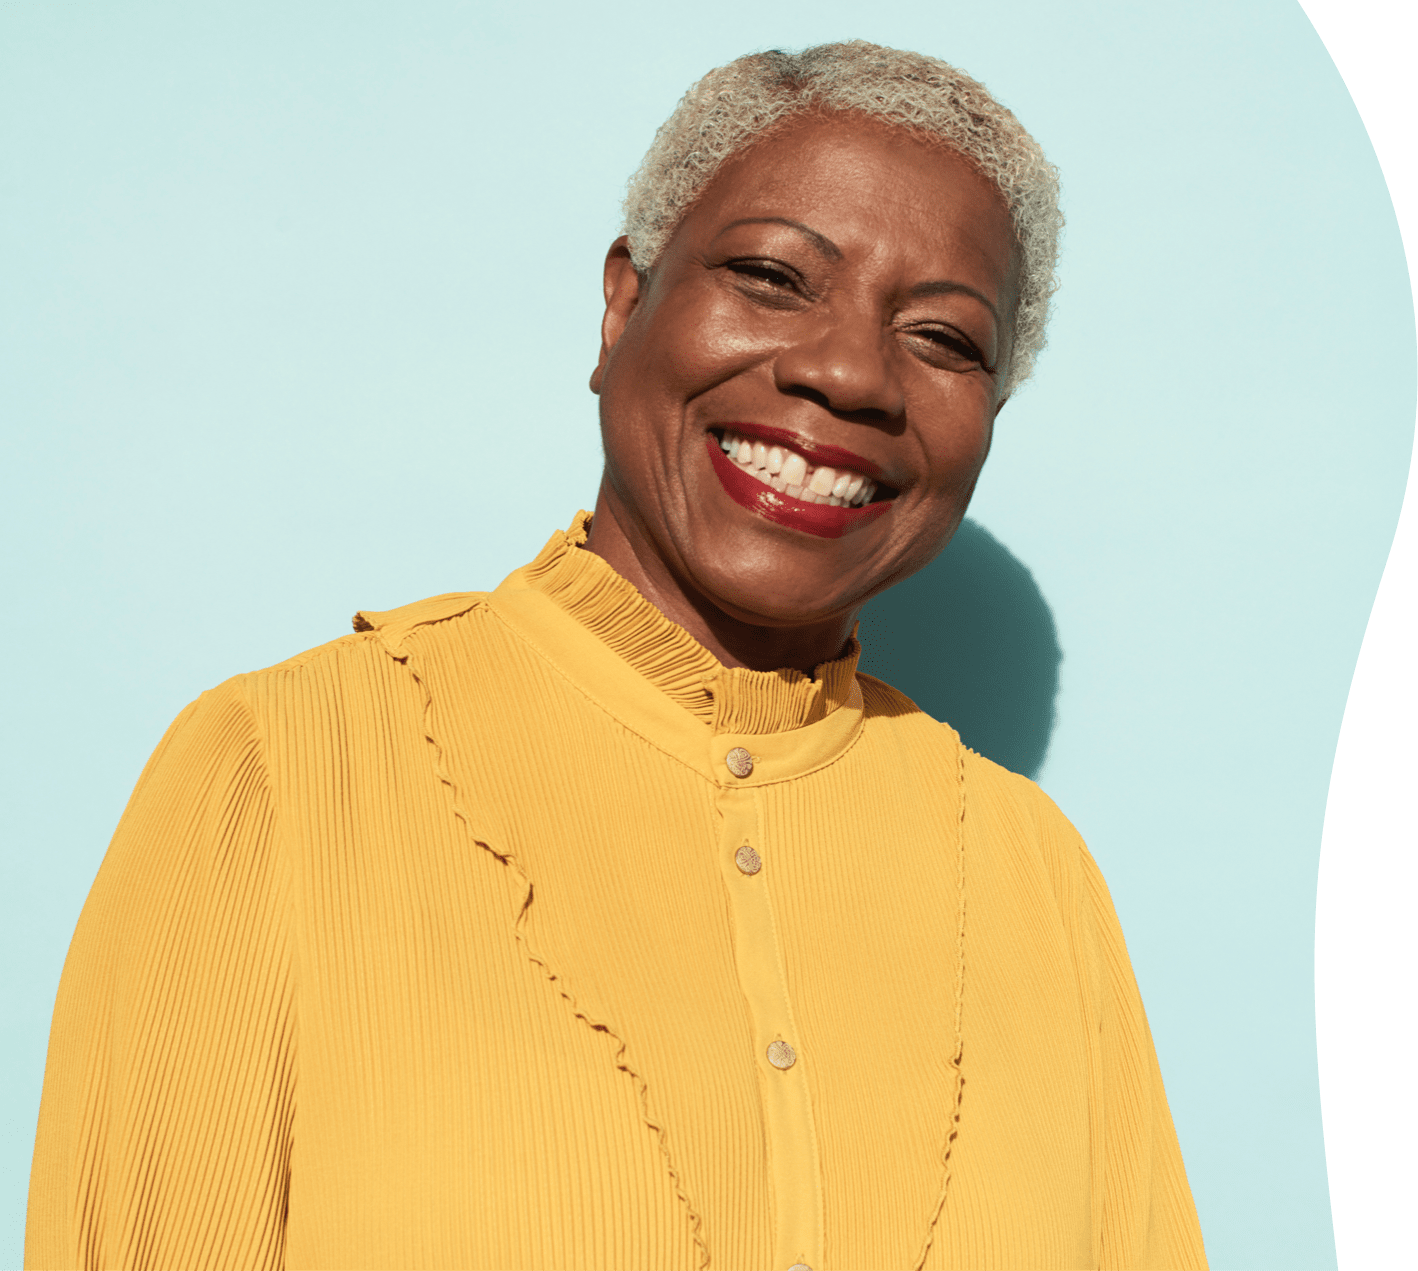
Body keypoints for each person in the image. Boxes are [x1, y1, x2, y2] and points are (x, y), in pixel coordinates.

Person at [26, 40, 1208, 1271]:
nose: (849, 372)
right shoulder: (277, 775)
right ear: (620, 304)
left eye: (943, 340)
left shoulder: (1034, 877)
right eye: (770, 275)